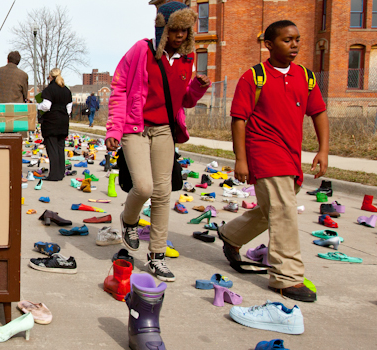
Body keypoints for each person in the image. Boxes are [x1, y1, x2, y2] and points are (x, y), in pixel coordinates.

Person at [218, 20, 329, 303]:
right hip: (264, 150)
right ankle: (286, 277)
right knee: (284, 212)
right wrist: (240, 159)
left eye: (297, 39)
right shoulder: (254, 77)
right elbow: (239, 120)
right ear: (268, 45)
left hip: (291, 154)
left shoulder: (306, 76)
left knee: (273, 210)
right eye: (286, 40)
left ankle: (230, 234)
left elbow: (318, 112)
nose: (294, 45)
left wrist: (323, 149)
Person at [105, 1, 210, 283]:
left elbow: (183, 100)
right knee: (144, 186)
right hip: (135, 128)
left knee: (163, 193)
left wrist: (197, 88)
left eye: (185, 30)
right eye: (175, 30)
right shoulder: (142, 51)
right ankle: (129, 220)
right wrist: (114, 130)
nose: (180, 36)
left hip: (164, 130)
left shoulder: (187, 60)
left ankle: (157, 256)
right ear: (162, 29)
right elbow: (119, 89)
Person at [38, 68, 72, 182]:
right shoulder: (67, 90)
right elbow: (69, 109)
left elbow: (46, 106)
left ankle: (54, 175)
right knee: (60, 148)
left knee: (52, 149)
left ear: (50, 77)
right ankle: (61, 173)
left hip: (51, 122)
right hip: (63, 121)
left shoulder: (49, 90)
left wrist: (38, 106)